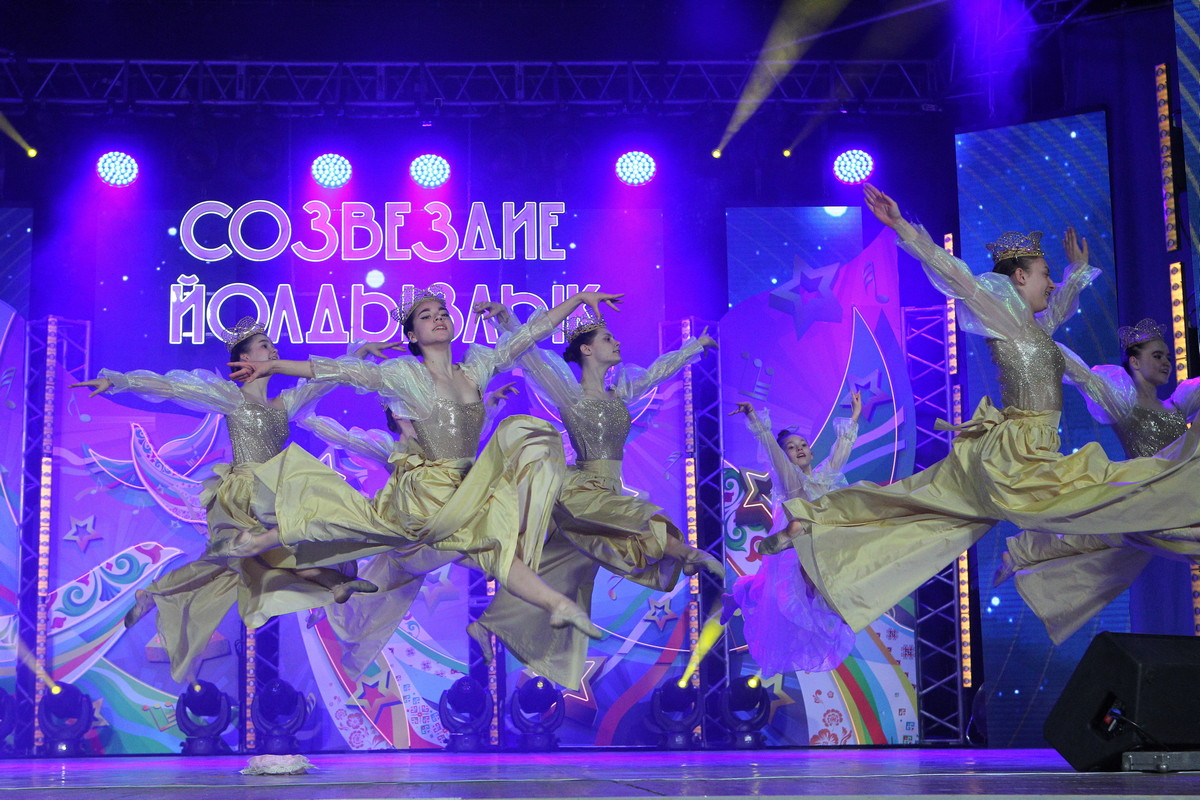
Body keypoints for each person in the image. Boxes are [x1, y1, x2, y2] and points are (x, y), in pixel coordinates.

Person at [763, 183, 1200, 634]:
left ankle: (814, 523)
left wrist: (1075, 273)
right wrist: (902, 227)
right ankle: (1064, 542)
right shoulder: (1003, 313)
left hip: (1003, 454)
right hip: (1018, 457)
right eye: (1045, 274)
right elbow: (960, 279)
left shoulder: (1032, 329)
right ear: (1019, 278)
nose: (1050, 283)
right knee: (1107, 492)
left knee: (921, 511)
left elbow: (1055, 314)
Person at [223, 288, 624, 641]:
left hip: (469, 487)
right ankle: (267, 542)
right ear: (413, 336)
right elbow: (343, 371)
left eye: (443, 312)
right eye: (427, 316)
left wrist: (577, 300)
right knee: (356, 521)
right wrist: (275, 367)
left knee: (495, 541)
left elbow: (527, 335)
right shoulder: (405, 374)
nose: (438, 318)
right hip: (428, 494)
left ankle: (558, 605)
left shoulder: (476, 367)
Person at [70, 319, 376, 683]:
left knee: (254, 561)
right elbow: (173, 387)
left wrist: (358, 353)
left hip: (278, 491)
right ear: (244, 359)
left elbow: (323, 381)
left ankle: (332, 583)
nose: (273, 350)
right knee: (255, 552)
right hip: (246, 493)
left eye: (272, 345)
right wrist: (119, 381)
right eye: (264, 346)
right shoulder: (232, 397)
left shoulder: (285, 404)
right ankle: (331, 582)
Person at [467, 308, 722, 689]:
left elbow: (658, 372)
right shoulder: (569, 394)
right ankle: (686, 554)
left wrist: (694, 346)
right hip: (580, 489)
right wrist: (506, 320)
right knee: (638, 515)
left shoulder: (621, 392)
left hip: (608, 488)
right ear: (586, 350)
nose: (616, 342)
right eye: (607, 339)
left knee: (564, 571)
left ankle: (488, 625)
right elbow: (531, 356)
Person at [999, 320, 1200, 642]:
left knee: (1111, 537)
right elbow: (1079, 373)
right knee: (1104, 529)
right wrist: (1033, 338)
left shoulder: (1177, 406)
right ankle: (1022, 552)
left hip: (1172, 496)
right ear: (1135, 362)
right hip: (1145, 491)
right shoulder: (1123, 402)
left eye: (1167, 357)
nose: (1166, 362)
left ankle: (1022, 554)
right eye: (1157, 355)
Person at [727, 394, 861, 676]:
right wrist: (755, 419)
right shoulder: (790, 481)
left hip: (823, 545)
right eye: (791, 447)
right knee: (794, 598)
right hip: (799, 546)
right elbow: (774, 454)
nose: (799, 449)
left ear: (811, 453)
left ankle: (749, 591)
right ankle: (751, 589)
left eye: (803, 445)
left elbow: (840, 452)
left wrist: (854, 416)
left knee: (819, 602)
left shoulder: (824, 476)